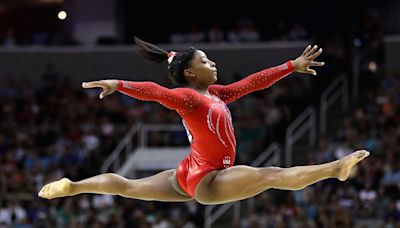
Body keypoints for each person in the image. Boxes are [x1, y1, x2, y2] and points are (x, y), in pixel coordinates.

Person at [38, 37, 369, 205]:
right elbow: (154, 90)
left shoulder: (217, 94)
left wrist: (289, 66)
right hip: (209, 179)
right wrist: (119, 84)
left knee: (128, 187)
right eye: (206, 61)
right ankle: (334, 169)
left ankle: (73, 186)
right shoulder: (189, 97)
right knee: (270, 175)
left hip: (189, 172)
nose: (213, 63)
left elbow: (253, 82)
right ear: (189, 73)